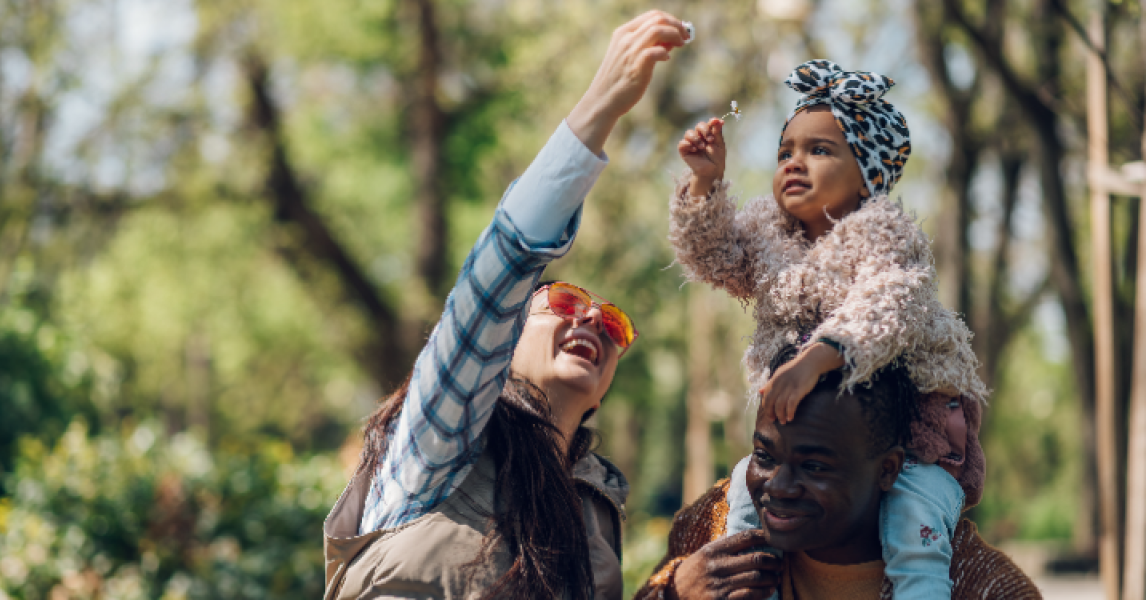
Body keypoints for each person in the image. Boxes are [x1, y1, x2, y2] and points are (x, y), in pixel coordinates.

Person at [321, 11, 690, 600]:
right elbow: (499, 272)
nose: (592, 318)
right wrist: (600, 105)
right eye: (564, 301)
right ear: (507, 339)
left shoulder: (597, 513)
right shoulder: (445, 442)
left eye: (614, 323)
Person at [668, 59, 987, 598]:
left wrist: (819, 356)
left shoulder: (884, 232)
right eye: (784, 151)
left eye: (819, 149)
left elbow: (891, 300)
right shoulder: (771, 239)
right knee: (745, 505)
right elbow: (714, 256)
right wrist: (706, 180)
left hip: (909, 439)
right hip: (806, 440)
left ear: (869, 173)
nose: (794, 162)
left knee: (914, 528)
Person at [633, 348, 1041, 600]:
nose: (778, 485)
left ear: (888, 469)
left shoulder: (980, 585)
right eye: (764, 455)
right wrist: (673, 593)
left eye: (814, 466)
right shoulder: (710, 532)